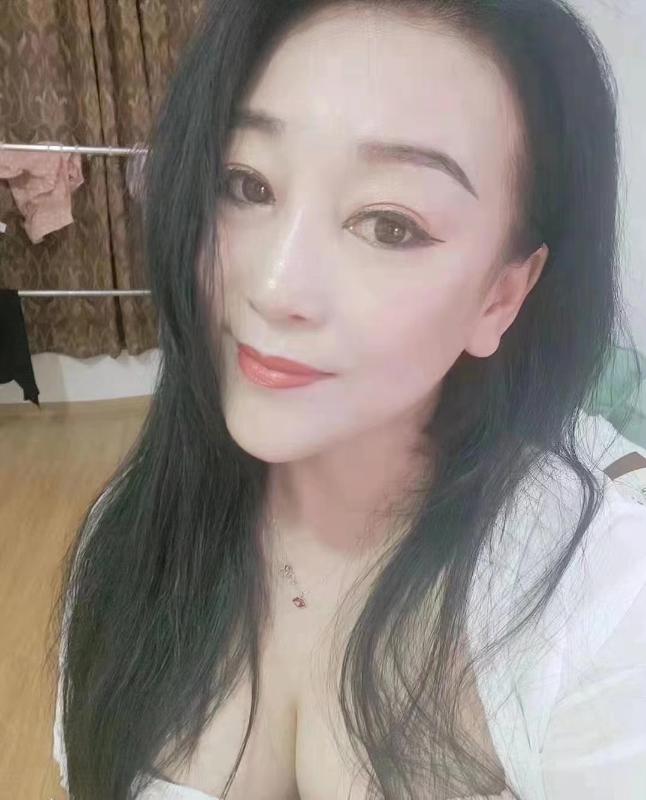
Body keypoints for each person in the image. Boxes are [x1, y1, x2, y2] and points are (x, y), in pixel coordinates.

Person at [49, 1, 646, 799]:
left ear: (502, 296)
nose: (274, 286)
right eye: (246, 184)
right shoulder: (130, 536)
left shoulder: (600, 603)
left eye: (390, 225)